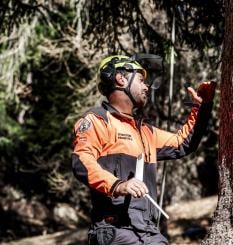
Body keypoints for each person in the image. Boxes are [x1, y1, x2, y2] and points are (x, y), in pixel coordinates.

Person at [72, 54, 216, 245]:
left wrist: (201, 107)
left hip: (147, 229)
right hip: (114, 230)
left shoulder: (145, 131)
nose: (146, 86)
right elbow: (81, 161)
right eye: (141, 80)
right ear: (120, 78)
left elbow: (183, 143)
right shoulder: (97, 120)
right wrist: (118, 185)